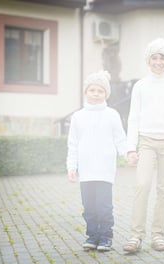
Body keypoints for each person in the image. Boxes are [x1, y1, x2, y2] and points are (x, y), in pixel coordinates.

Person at [123, 38, 164, 253]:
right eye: (155, 57)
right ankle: (135, 236)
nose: (159, 62)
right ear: (148, 60)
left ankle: (158, 235)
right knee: (142, 185)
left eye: (163, 58)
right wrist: (130, 147)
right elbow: (133, 118)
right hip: (146, 142)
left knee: (163, 190)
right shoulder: (140, 86)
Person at [66, 70, 128, 252]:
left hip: (104, 170)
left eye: (100, 91)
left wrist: (127, 153)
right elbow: (73, 144)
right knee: (89, 207)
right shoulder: (78, 116)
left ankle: (106, 237)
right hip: (86, 171)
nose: (96, 94)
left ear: (106, 94)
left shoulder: (112, 114)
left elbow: (120, 139)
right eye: (92, 90)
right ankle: (92, 236)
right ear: (86, 92)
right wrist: (72, 166)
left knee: (104, 206)